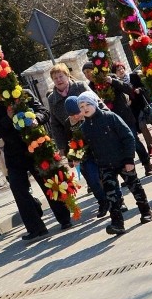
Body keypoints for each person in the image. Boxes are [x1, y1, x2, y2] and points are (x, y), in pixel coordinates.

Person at [0, 86, 74, 242]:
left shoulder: (22, 93)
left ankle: (64, 218)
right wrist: (8, 118)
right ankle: (36, 228)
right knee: (19, 190)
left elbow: (44, 112)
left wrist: (35, 119)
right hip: (14, 153)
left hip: (35, 147)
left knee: (47, 182)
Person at [77, 92, 152, 236]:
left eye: (88, 104)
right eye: (81, 106)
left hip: (123, 161)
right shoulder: (84, 128)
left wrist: (129, 159)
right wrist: (75, 156)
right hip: (105, 166)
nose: (85, 108)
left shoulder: (110, 117)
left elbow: (128, 137)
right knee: (111, 195)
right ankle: (117, 224)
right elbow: (84, 149)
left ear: (94, 104)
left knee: (135, 187)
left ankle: (146, 211)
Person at [46, 64, 110, 217]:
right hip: (76, 142)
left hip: (95, 134)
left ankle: (116, 200)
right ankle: (102, 201)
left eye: (61, 76)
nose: (59, 80)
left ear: (67, 76)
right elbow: (55, 125)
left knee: (106, 171)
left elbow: (97, 102)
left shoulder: (80, 86)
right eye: (55, 78)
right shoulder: (52, 99)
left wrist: (106, 116)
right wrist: (61, 147)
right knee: (91, 176)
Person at [82, 61, 152, 176]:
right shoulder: (89, 88)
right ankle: (129, 173)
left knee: (133, 140)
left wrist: (112, 81)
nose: (87, 74)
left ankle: (146, 163)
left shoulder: (110, 77)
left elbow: (129, 89)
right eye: (85, 73)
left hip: (124, 116)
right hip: (109, 121)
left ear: (95, 70)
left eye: (89, 71)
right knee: (119, 146)